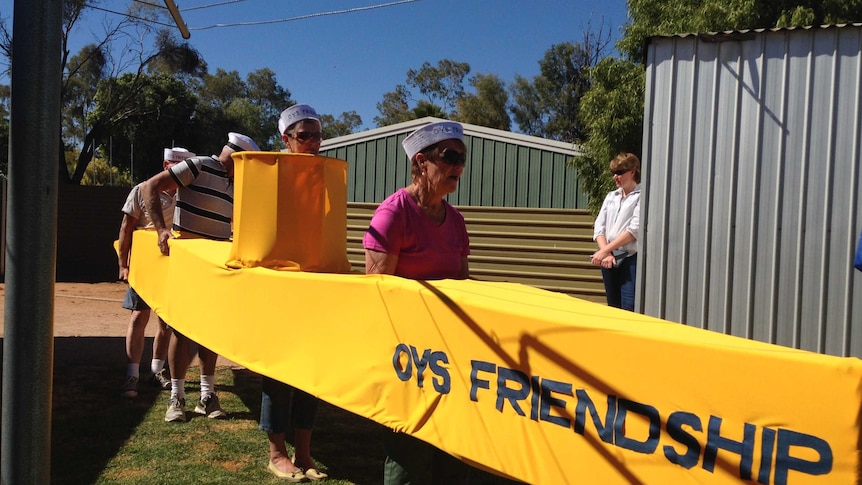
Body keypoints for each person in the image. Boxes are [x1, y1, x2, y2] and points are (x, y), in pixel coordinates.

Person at [363, 121, 471, 484]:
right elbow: (379, 293)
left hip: (446, 353)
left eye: (462, 158)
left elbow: (462, 286)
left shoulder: (456, 222)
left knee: (448, 450)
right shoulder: (394, 214)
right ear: (422, 161)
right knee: (409, 453)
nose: (457, 166)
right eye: (450, 157)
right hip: (407, 355)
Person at [141, 132, 260, 423]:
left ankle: (207, 396)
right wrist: (161, 229)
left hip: (217, 266)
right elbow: (150, 187)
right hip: (189, 263)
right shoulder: (199, 165)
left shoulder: (239, 184)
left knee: (211, 330)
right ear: (236, 156)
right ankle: (177, 398)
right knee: (181, 330)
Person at [260, 104, 328, 482]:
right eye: (305, 136)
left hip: (313, 282)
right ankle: (277, 453)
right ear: (286, 140)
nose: (314, 142)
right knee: (278, 370)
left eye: (318, 135)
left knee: (309, 370)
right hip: (278, 285)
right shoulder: (271, 173)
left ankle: (304, 451)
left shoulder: (323, 175)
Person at [118, 147, 194, 398]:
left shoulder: (189, 194)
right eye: (176, 168)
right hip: (143, 266)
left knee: (167, 322)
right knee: (139, 316)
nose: (180, 174)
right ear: (165, 165)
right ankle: (132, 374)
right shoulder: (142, 190)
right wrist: (123, 264)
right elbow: (126, 228)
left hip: (172, 267)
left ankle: (156, 370)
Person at [591, 152, 642, 311]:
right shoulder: (611, 196)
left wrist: (605, 250)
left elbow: (634, 229)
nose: (615, 177)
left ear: (633, 171)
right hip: (609, 258)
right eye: (614, 173)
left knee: (629, 305)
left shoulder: (642, 195)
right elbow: (600, 226)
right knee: (612, 305)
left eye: (620, 172)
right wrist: (606, 253)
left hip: (629, 258)